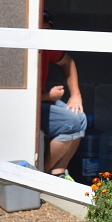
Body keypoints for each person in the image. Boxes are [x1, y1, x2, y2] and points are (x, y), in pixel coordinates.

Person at [39, 11, 86, 178]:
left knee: (80, 117)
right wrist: (47, 96)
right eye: (41, 29)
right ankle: (39, 175)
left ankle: (58, 173)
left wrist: (75, 95)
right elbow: (22, 95)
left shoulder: (47, 45)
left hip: (43, 100)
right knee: (70, 122)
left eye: (48, 30)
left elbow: (68, 62)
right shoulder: (24, 46)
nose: (45, 34)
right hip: (30, 104)